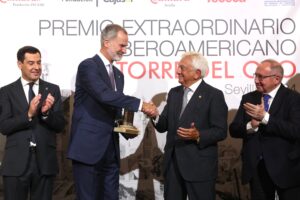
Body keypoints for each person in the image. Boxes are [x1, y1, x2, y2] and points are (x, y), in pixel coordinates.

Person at [67, 24, 156, 200]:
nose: (125, 50)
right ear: (107, 42)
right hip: (88, 148)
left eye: (126, 46)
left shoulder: (118, 74)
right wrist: (140, 104)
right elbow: (103, 95)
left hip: (110, 150)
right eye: (122, 45)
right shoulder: (88, 66)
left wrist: (125, 128)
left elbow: (113, 108)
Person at [152, 52, 228, 200]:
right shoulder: (174, 93)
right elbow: (164, 125)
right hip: (173, 166)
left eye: (182, 68)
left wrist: (199, 135)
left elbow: (221, 131)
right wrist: (154, 115)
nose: (177, 71)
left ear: (197, 73)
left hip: (199, 167)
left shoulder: (214, 95)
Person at [0, 46, 65, 200]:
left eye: (39, 62)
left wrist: (46, 113)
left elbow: (60, 125)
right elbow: (4, 126)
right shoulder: (6, 91)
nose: (36, 67)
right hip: (16, 163)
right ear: (19, 64)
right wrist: (28, 114)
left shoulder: (53, 90)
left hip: (45, 163)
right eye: (31, 63)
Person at [229, 59, 300, 200]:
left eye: (261, 77)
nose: (256, 80)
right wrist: (251, 126)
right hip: (257, 168)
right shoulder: (248, 98)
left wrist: (265, 118)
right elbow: (234, 129)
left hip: (286, 169)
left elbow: (295, 130)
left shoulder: (293, 99)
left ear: (277, 79)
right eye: (255, 75)